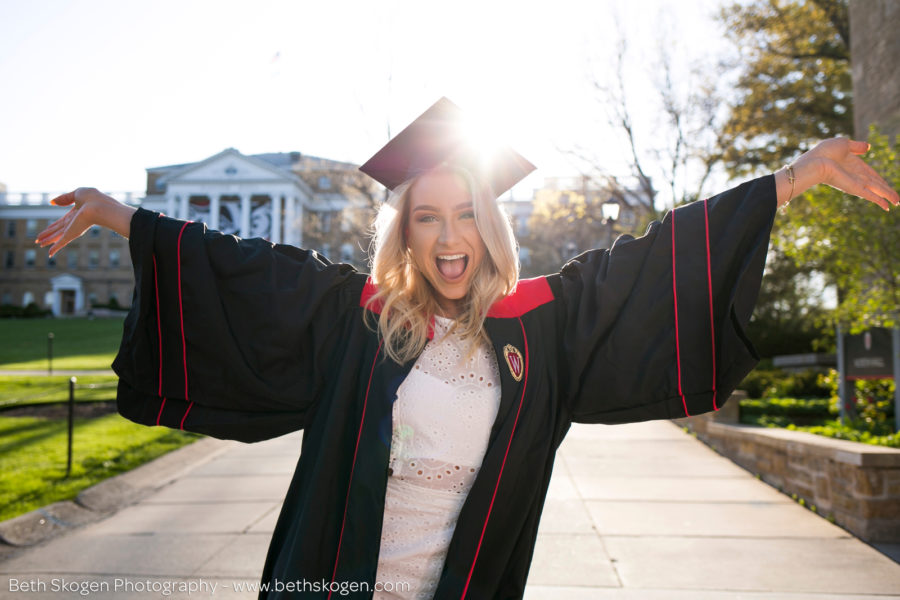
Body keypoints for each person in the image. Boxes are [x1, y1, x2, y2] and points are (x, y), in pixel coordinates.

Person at [36, 98, 898, 599]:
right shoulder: (357, 317)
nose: (450, 238)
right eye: (426, 216)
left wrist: (796, 175)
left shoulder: (543, 322)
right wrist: (125, 217)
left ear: (489, 225)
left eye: (466, 215)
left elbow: (656, 262)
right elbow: (240, 266)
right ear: (405, 232)